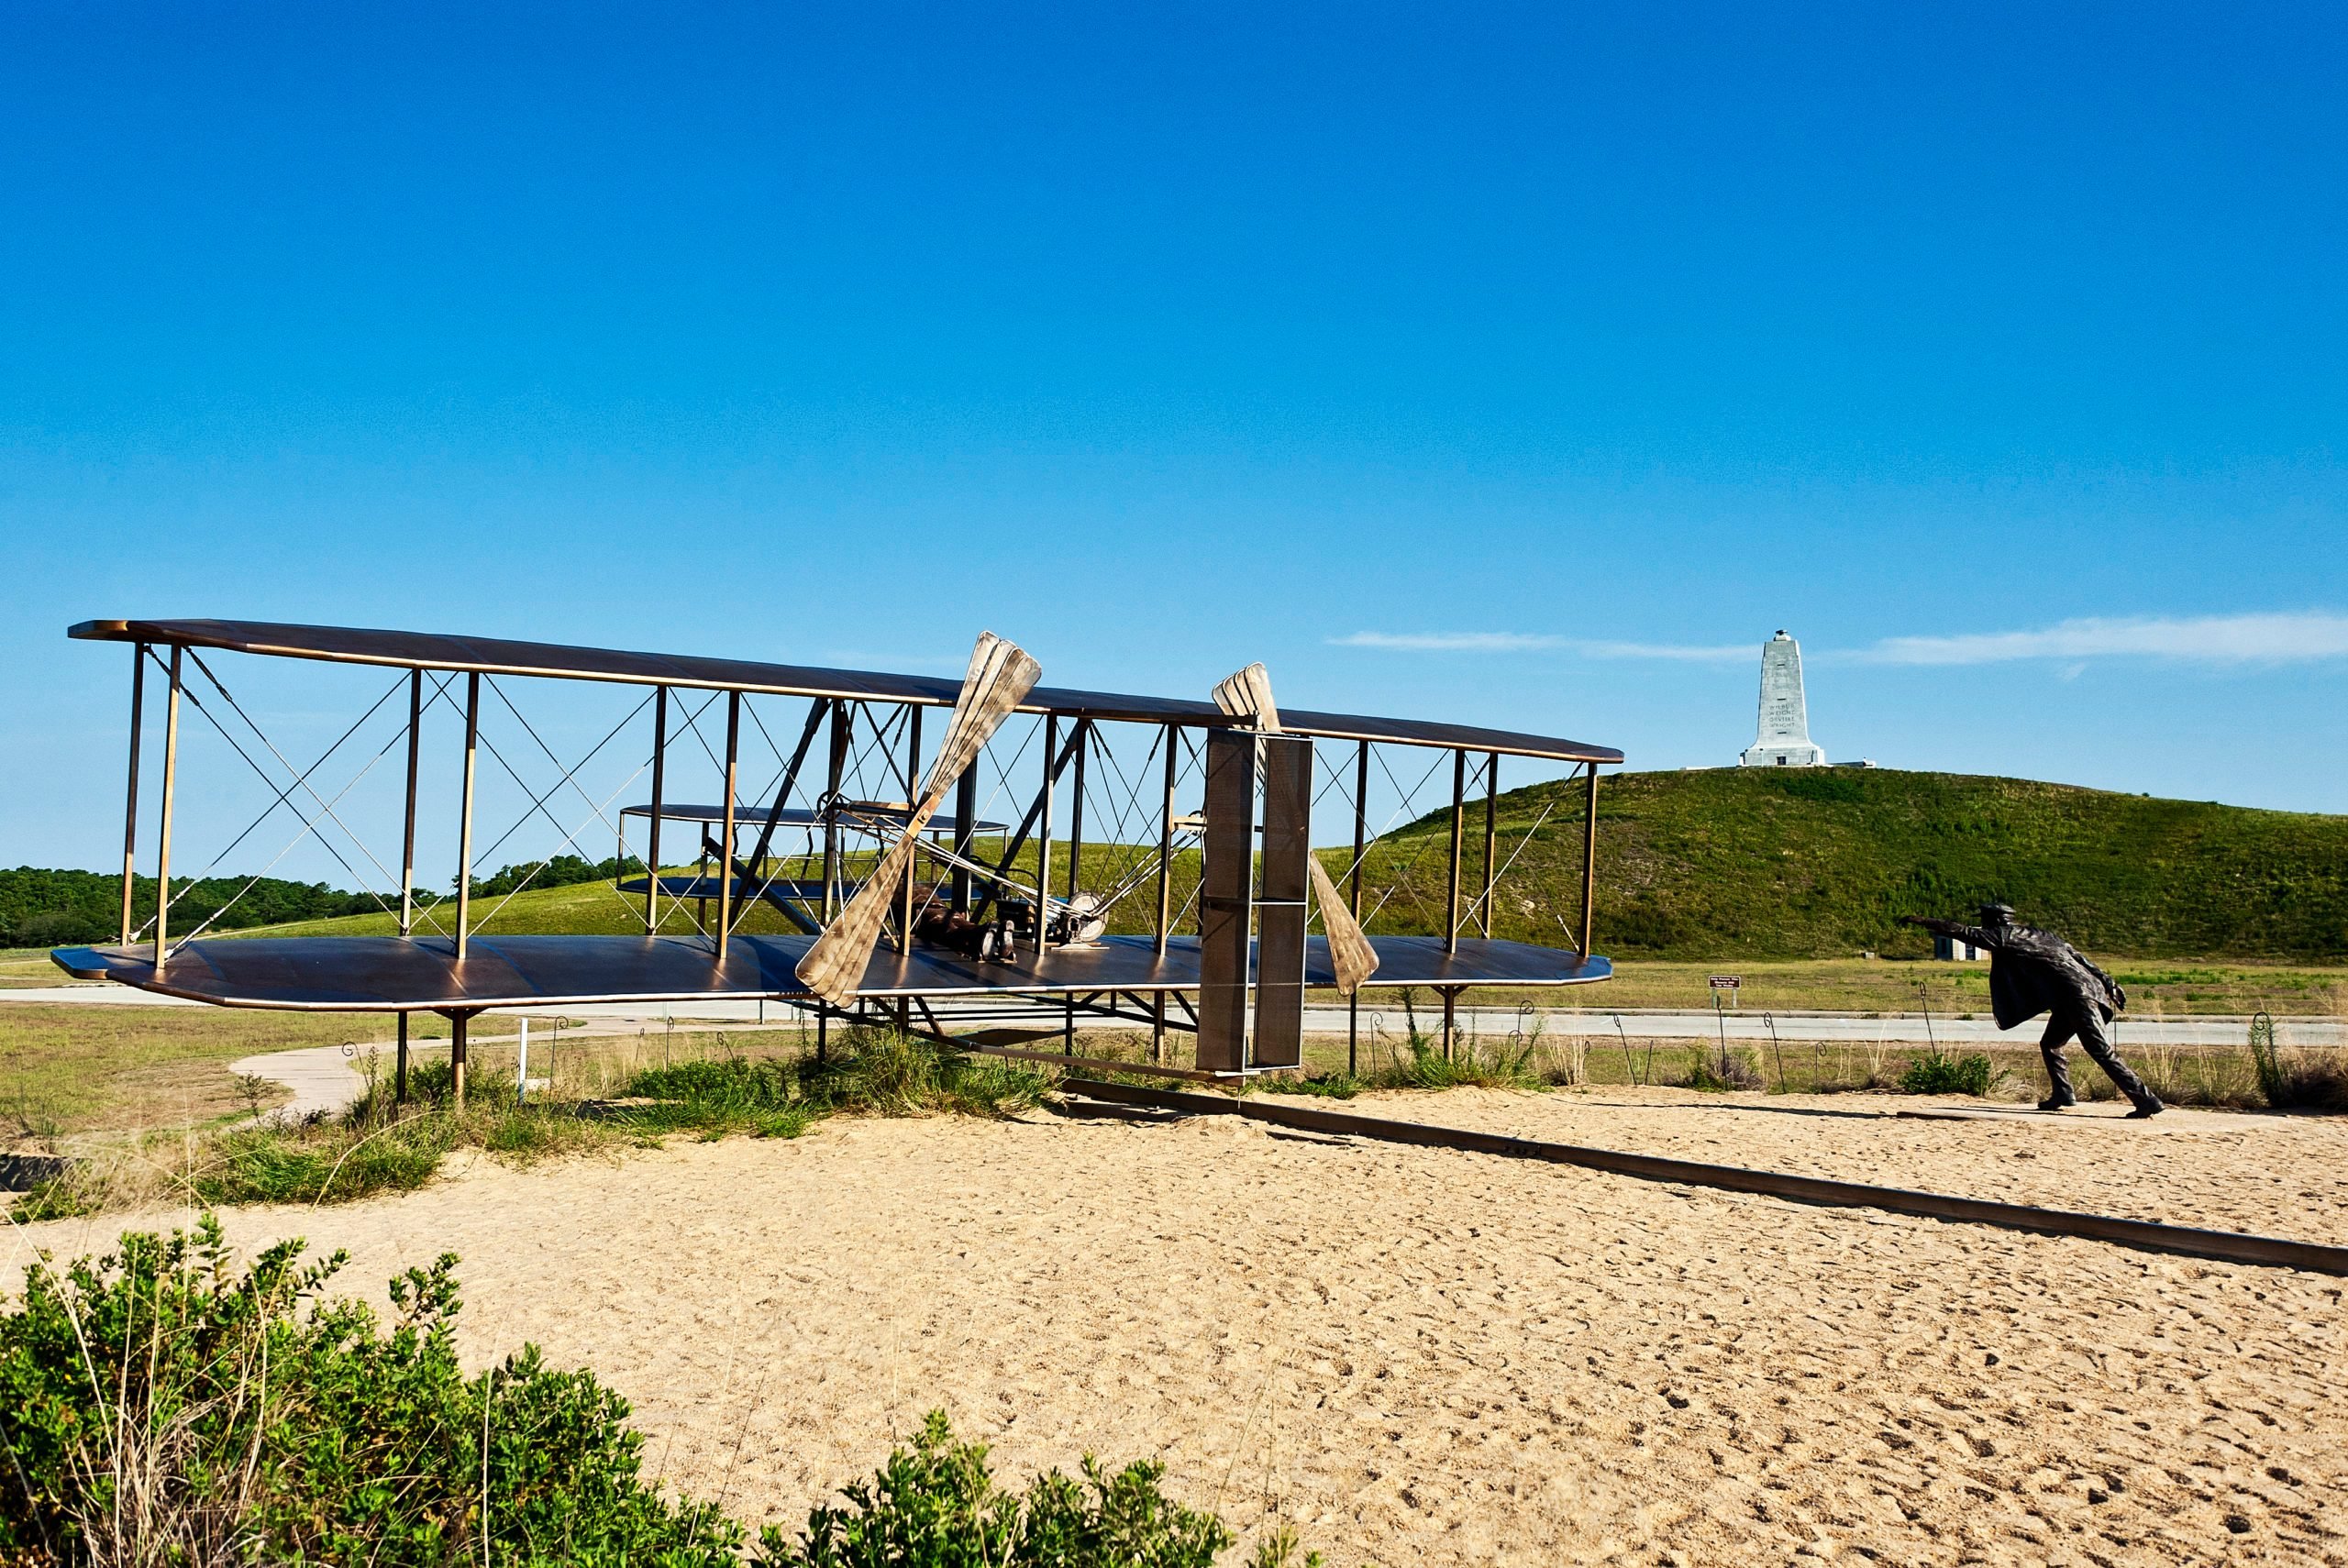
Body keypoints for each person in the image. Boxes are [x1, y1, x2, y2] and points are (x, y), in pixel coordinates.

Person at [1899, 903, 2163, 1117]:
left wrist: (1922, 921)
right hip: (2079, 993)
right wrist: (2109, 983)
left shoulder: (2002, 936)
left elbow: (1962, 932)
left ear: (1994, 921)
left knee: (2100, 1050)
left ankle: (2145, 1099)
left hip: (2076, 996)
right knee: (2050, 1044)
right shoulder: (2045, 934)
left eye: (1986, 921)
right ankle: (2063, 1094)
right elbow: (2082, 959)